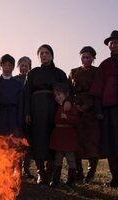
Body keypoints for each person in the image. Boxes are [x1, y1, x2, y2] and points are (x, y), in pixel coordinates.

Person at [24, 44, 71, 185]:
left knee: (53, 139)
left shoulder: (60, 73)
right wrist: (27, 112)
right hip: (36, 109)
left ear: (51, 55)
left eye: (46, 53)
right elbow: (26, 93)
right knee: (38, 139)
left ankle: (50, 172)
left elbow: (68, 91)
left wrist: (68, 102)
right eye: (41, 53)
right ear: (38, 56)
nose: (44, 55)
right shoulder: (32, 73)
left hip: (54, 109)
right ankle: (41, 173)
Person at [69, 46, 102, 183]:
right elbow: (69, 91)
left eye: (89, 57)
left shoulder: (98, 72)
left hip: (92, 109)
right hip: (76, 110)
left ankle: (90, 173)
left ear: (93, 58)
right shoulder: (73, 72)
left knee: (92, 141)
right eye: (83, 56)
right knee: (77, 141)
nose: (86, 59)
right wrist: (75, 105)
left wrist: (89, 106)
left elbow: (99, 90)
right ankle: (79, 173)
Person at [90, 30, 118, 188]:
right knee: (111, 144)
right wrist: (98, 110)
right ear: (108, 46)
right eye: (111, 43)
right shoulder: (104, 65)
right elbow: (97, 90)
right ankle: (115, 177)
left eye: (116, 42)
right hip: (109, 111)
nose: (114, 45)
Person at [0, 54, 23, 137]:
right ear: (1, 67)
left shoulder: (18, 84)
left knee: (11, 144)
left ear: (13, 68)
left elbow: (20, 105)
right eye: (4, 65)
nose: (7, 67)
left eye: (10, 65)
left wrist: (19, 124)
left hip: (12, 117)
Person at [50, 83, 79, 187]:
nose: (57, 97)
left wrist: (67, 117)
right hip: (59, 136)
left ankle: (71, 180)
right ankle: (55, 180)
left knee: (70, 158)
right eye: (55, 95)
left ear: (66, 94)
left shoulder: (71, 106)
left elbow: (76, 120)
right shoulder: (59, 107)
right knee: (58, 158)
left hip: (68, 137)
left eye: (59, 95)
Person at [14, 56, 34, 179]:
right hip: (16, 115)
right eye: (22, 65)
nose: (24, 67)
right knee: (17, 144)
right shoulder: (14, 80)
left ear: (29, 67)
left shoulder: (32, 80)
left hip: (28, 115)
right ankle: (17, 169)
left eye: (27, 65)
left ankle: (26, 168)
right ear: (18, 66)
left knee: (28, 144)